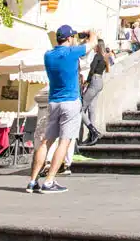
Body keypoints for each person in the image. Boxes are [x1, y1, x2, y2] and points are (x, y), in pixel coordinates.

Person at [27, 25, 98, 194]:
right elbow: (94, 42)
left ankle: (32, 181)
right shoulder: (72, 53)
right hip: (70, 102)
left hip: (54, 102)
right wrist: (90, 32)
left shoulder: (48, 55)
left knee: (46, 141)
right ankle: (49, 181)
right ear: (68, 38)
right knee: (64, 141)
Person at [80, 39, 110, 145]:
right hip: (100, 81)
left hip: (94, 80)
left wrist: (87, 82)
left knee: (80, 108)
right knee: (92, 109)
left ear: (97, 46)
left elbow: (92, 70)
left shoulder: (97, 56)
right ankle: (91, 136)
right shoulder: (104, 57)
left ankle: (93, 131)